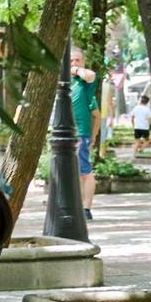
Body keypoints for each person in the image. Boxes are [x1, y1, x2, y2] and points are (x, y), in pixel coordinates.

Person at [69, 47, 98, 220]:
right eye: (71, 60)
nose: (74, 63)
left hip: (79, 133)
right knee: (72, 172)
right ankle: (76, 206)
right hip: (62, 134)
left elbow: (91, 75)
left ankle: (86, 209)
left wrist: (76, 70)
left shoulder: (84, 83)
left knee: (84, 171)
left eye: (77, 60)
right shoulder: (65, 82)